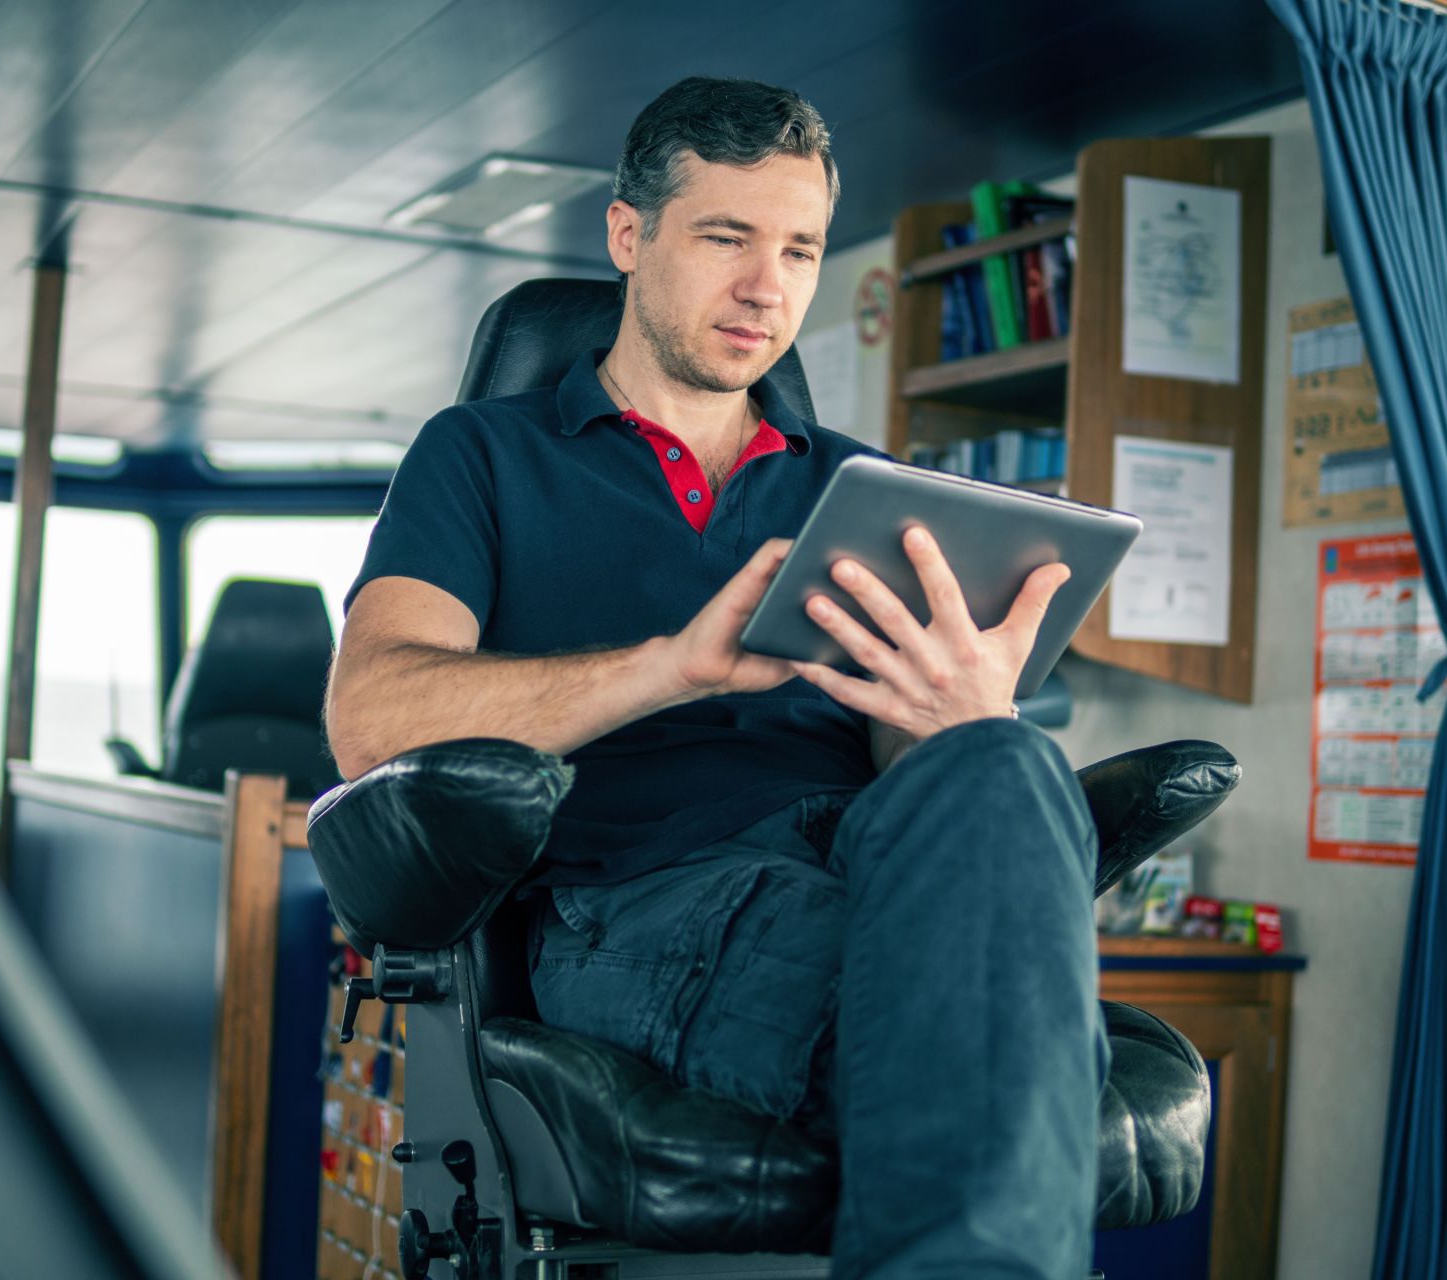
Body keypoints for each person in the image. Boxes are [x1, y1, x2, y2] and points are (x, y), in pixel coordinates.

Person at [325, 76, 1105, 1279]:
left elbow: (910, 758)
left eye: (798, 248)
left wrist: (953, 716)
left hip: (861, 858)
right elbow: (371, 718)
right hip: (630, 902)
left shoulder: (865, 488)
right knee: (998, 1035)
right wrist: (668, 667)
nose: (768, 287)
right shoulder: (481, 454)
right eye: (727, 238)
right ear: (630, 236)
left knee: (1008, 757)